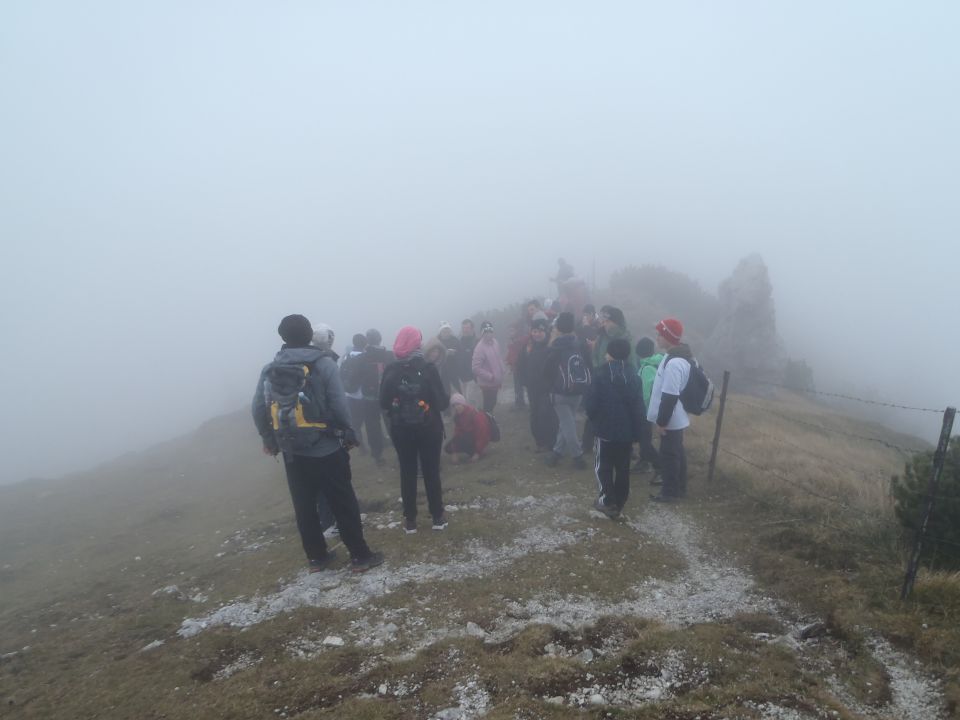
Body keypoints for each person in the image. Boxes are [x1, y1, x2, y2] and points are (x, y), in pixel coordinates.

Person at [252, 314, 384, 574]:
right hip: (326, 447)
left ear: (283, 337)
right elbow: (339, 403)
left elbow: (259, 407)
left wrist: (269, 439)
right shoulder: (323, 364)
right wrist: (349, 432)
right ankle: (360, 555)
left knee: (304, 505)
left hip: (292, 450)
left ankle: (317, 558)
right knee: (342, 501)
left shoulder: (271, 368)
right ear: (309, 333)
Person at [380, 326, 451, 533]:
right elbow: (442, 402)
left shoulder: (391, 369)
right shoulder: (428, 368)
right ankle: (437, 517)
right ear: (416, 343)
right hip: (429, 428)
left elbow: (383, 402)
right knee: (431, 471)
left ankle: (410, 520)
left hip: (401, 430)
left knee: (407, 472)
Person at [584, 338, 642, 519]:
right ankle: (620, 500)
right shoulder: (634, 374)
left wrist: (593, 419)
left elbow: (591, 402)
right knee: (623, 467)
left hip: (605, 429)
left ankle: (607, 501)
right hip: (627, 431)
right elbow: (638, 406)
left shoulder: (600, 373)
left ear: (609, 353)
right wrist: (638, 431)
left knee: (603, 466)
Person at [647, 317, 692, 502]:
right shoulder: (672, 356)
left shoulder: (674, 363)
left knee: (669, 455)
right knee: (676, 452)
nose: (657, 337)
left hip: (671, 418)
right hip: (674, 416)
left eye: (660, 334)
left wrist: (662, 421)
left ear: (668, 336)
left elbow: (670, 396)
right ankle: (678, 487)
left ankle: (670, 492)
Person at [543, 311, 590, 470]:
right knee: (566, 424)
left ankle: (578, 458)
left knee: (568, 426)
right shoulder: (580, 343)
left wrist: (550, 387)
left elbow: (547, 371)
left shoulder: (556, 347)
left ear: (558, 328)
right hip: (578, 389)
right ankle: (556, 453)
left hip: (560, 392)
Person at [516, 316, 557, 452]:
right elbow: (520, 366)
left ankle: (551, 442)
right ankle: (539, 441)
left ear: (545, 332)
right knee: (534, 415)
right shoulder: (527, 348)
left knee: (546, 414)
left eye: (540, 331)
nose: (537, 334)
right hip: (532, 388)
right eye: (534, 331)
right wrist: (523, 382)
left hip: (547, 388)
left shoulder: (551, 347)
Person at [353, 328, 393, 466]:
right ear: (380, 338)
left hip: (368, 397)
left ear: (367, 340)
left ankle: (377, 455)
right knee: (392, 423)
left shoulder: (362, 357)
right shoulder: (389, 355)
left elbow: (356, 378)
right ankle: (400, 448)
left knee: (372, 427)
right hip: (388, 395)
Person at [634, 336, 664, 478]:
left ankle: (659, 466)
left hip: (645, 412)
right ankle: (644, 461)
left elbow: (645, 394)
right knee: (643, 439)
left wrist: (640, 411)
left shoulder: (646, 368)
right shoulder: (656, 363)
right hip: (650, 411)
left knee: (644, 442)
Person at [444, 393, 494, 463]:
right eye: (454, 405)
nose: (456, 407)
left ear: (463, 404)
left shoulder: (474, 413)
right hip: (467, 438)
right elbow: (457, 433)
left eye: (458, 404)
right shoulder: (457, 416)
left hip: (476, 438)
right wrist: (454, 452)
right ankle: (473, 451)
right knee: (448, 448)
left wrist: (477, 453)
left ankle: (479, 451)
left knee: (466, 438)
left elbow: (482, 433)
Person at [472, 321, 506, 413]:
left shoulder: (495, 342)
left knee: (493, 401)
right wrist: (490, 377)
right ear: (482, 333)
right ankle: (486, 421)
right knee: (488, 403)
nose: (488, 334)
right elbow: (475, 368)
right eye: (486, 332)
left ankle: (488, 419)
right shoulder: (479, 348)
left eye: (490, 331)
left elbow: (498, 357)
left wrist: (502, 369)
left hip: (496, 380)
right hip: (487, 382)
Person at [458, 319, 479, 404]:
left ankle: (475, 416)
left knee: (471, 399)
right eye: (463, 328)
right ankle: (468, 416)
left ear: (472, 328)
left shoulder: (477, 341)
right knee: (464, 400)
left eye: (467, 327)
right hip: (462, 376)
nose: (465, 330)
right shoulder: (460, 341)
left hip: (473, 376)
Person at [437, 321, 462, 394]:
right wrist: (445, 354)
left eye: (447, 330)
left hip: (454, 372)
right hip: (441, 373)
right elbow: (433, 357)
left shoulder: (455, 340)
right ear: (440, 331)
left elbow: (461, 354)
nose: (446, 332)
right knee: (444, 393)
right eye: (444, 330)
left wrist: (455, 353)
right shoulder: (436, 341)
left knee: (458, 392)